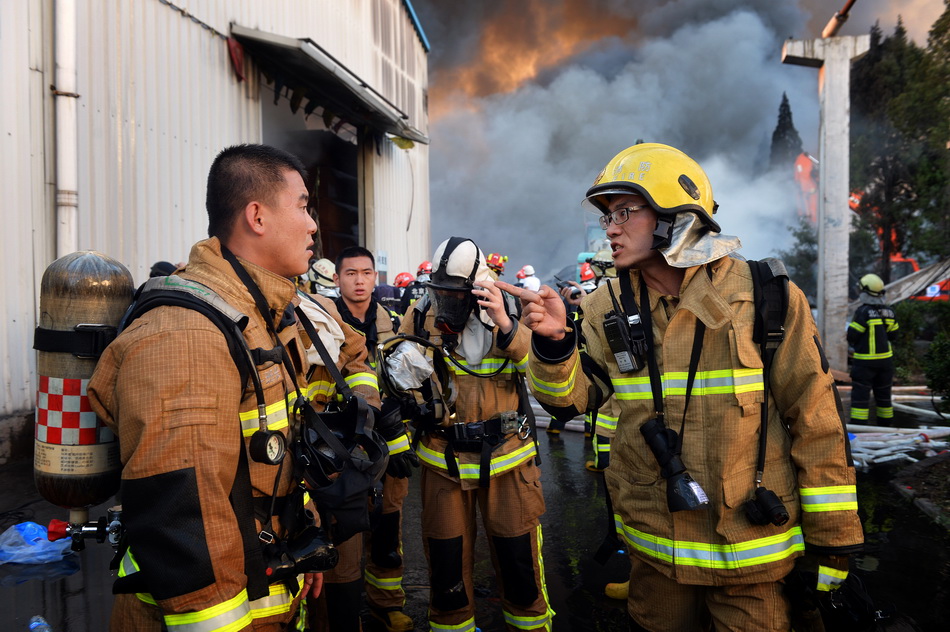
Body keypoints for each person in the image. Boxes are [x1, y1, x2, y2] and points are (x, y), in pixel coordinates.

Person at [499, 143, 863, 631]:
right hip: (656, 557)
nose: (610, 228)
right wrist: (554, 343)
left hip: (751, 558)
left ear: (676, 216)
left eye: (625, 212)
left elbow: (816, 419)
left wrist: (833, 540)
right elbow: (568, 401)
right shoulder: (605, 305)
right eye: (607, 215)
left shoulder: (765, 295)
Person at [87, 143, 367, 630]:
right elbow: (183, 521)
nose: (313, 225)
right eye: (303, 206)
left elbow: (271, 456)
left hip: (268, 578)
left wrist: (300, 534)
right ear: (257, 217)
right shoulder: (185, 336)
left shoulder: (261, 312)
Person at [393, 237, 554, 632]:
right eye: (441, 291)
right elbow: (397, 364)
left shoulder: (509, 307)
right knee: (446, 575)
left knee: (520, 572)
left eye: (455, 293)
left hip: (508, 461)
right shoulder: (422, 312)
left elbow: (545, 376)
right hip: (443, 462)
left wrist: (507, 326)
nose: (446, 300)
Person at [320, 246, 417, 632]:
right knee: (342, 529)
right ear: (336, 279)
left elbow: (406, 379)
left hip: (388, 440)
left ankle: (386, 603)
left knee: (388, 525)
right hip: (342, 445)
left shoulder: (392, 321)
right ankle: (340, 614)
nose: (359, 281)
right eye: (350, 274)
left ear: (375, 277)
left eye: (366, 273)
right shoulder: (324, 322)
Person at [848, 273, 900, 425]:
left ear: (865, 292)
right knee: (884, 397)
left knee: (860, 398)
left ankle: (859, 429)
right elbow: (894, 335)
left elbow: (852, 335)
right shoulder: (890, 312)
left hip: (864, 364)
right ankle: (886, 427)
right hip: (885, 363)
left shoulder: (863, 312)